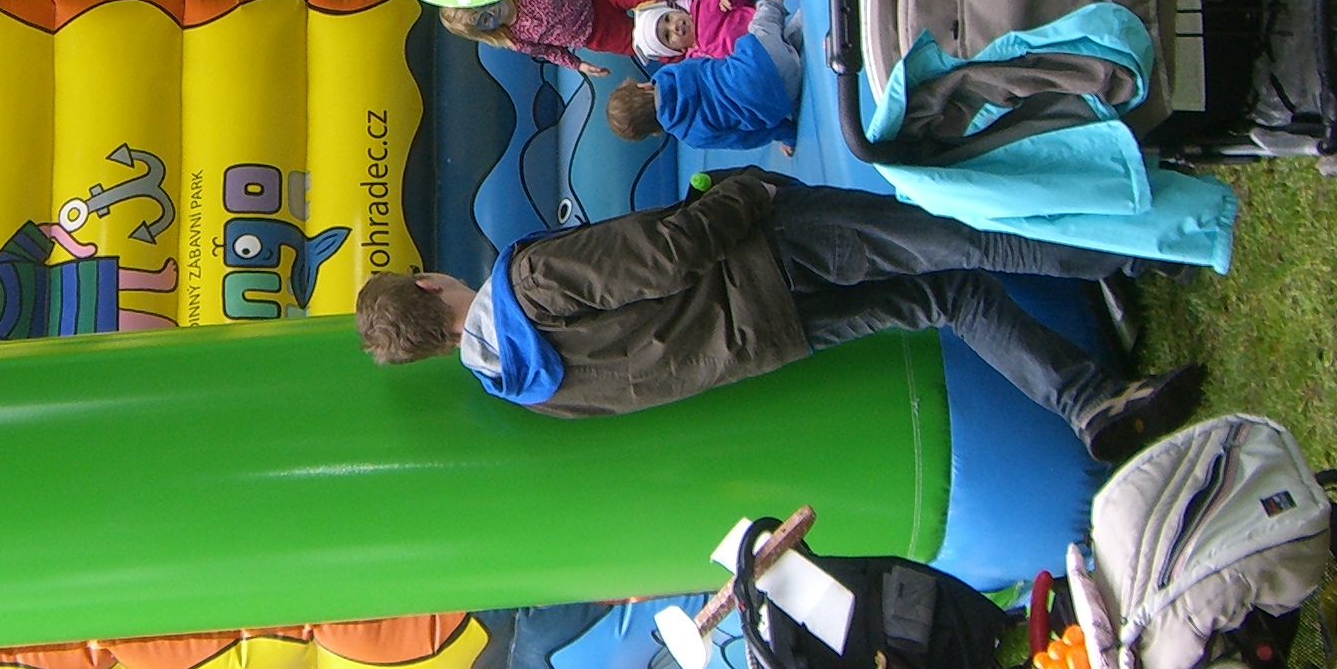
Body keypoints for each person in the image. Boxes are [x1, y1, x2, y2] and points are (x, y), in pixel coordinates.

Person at [351, 165, 1199, 460]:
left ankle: (1088, 403)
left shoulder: (531, 396)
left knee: (949, 295)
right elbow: (667, 254)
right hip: (772, 253)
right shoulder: (527, 280)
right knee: (963, 240)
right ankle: (1152, 247)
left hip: (772, 339)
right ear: (427, 287)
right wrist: (746, 189)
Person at [611, 0, 805, 153]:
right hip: (764, 56)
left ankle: (793, 47)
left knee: (771, 71)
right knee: (764, 24)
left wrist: (786, 134)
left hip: (785, 97)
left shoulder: (691, 136)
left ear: (655, 132)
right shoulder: (676, 73)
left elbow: (743, 139)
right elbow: (712, 65)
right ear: (644, 86)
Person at [440, 0, 700, 76]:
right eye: (484, 20)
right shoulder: (515, 38)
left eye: (483, 5)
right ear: (485, 32)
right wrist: (578, 65)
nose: (490, 12)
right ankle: (698, 50)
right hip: (596, 35)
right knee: (650, 45)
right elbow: (549, 52)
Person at [631, 0, 758, 64]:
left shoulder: (704, 7)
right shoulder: (696, 63)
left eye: (668, 18)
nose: (674, 27)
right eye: (667, 35)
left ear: (677, 11)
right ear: (677, 50)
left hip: (760, 27)